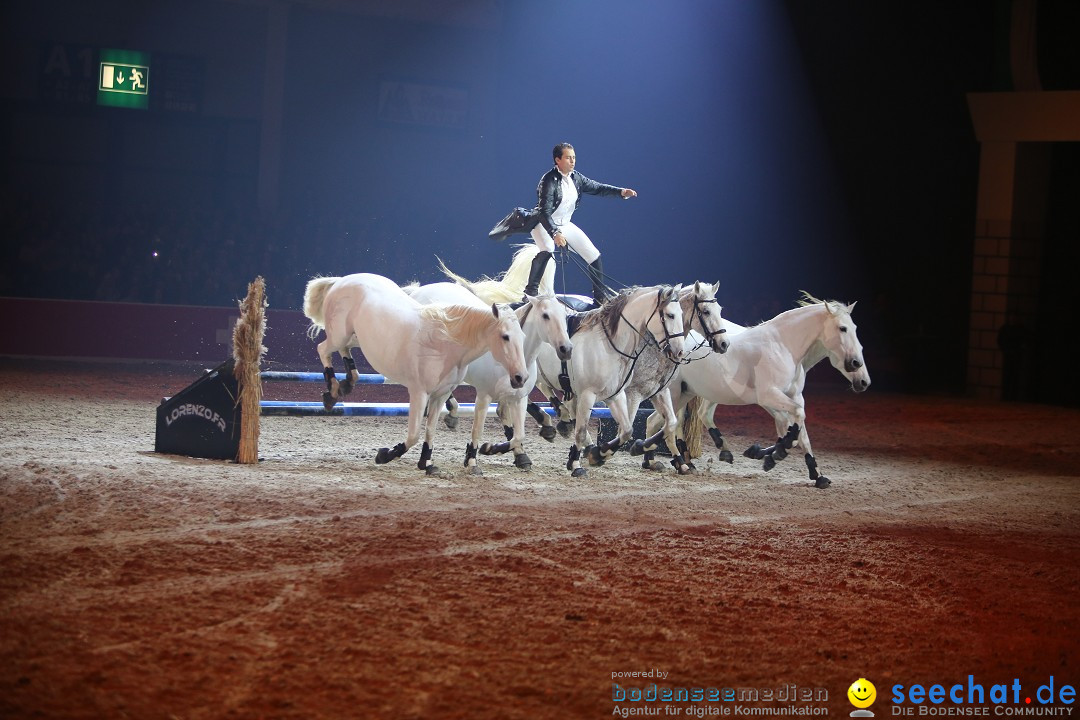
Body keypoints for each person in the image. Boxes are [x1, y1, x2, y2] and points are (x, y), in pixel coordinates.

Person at [521, 142, 637, 304]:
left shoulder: (576, 177)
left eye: (574, 157)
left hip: (565, 224)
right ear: (557, 160)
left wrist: (620, 192)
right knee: (547, 250)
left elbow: (597, 187)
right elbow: (543, 212)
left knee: (594, 255)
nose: (573, 161)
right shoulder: (549, 180)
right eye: (568, 158)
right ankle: (529, 294)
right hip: (544, 224)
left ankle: (599, 296)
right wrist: (555, 233)